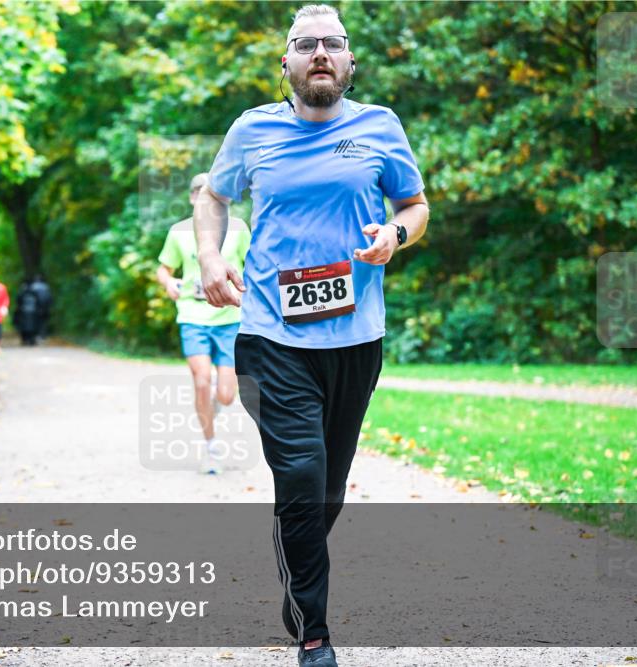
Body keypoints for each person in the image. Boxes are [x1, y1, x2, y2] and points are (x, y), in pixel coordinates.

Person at [194, 5, 429, 666]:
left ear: (350, 62)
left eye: (333, 43)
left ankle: (294, 557)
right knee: (300, 473)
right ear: (287, 63)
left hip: (356, 340)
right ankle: (315, 634)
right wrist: (211, 260)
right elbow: (213, 196)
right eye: (306, 44)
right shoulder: (254, 129)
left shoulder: (380, 127)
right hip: (270, 336)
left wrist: (396, 234)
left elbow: (415, 205)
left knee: (323, 492)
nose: (320, 52)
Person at [157, 173, 251, 475]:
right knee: (200, 380)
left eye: (209, 191)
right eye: (198, 191)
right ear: (191, 198)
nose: (202, 196)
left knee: (225, 393)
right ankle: (211, 448)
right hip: (193, 316)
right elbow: (164, 269)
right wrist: (169, 281)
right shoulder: (179, 231)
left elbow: (253, 267)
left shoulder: (238, 229)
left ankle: (212, 407)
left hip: (229, 319)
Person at [13, 279, 42, 346]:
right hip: (32, 312)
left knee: (24, 327)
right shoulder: (34, 293)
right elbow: (39, 302)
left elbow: (18, 301)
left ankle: (26, 339)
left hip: (24, 312)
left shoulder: (22, 292)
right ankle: (31, 339)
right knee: (33, 326)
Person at [28, 274, 52, 340]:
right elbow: (50, 298)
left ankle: (36, 335)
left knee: (35, 322)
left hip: (35, 308)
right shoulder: (46, 287)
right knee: (44, 322)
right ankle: (43, 335)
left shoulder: (32, 287)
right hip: (45, 308)